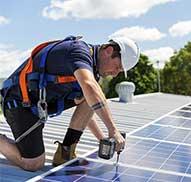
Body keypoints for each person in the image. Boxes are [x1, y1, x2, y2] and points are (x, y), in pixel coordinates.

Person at [0, 35, 140, 171]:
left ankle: (65, 152)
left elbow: (89, 108)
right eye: (117, 67)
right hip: (18, 102)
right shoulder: (78, 51)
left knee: (89, 96)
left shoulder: (92, 72)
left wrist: (102, 139)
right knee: (33, 164)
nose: (115, 74)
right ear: (109, 50)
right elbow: (91, 88)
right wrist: (113, 130)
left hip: (38, 105)